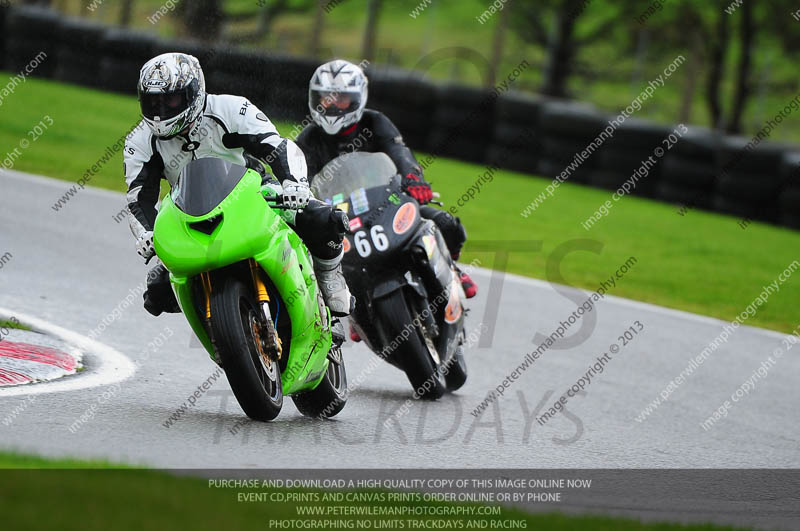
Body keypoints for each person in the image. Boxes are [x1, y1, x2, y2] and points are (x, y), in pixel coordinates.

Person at [124, 52, 353, 317]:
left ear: (194, 92)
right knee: (156, 293)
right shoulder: (139, 142)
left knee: (325, 219)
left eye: (171, 100)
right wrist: (147, 233)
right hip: (188, 212)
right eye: (153, 103)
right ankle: (217, 328)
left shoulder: (231, 109)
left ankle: (329, 275)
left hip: (254, 193)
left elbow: (277, 147)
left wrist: (295, 184)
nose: (161, 112)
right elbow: (138, 197)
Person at [295, 60, 478, 341]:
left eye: (341, 99)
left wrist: (414, 179)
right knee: (315, 259)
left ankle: (452, 268)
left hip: (387, 203)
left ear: (357, 98)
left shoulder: (374, 122)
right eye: (325, 98)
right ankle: (355, 311)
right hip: (342, 219)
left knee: (444, 222)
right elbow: (297, 179)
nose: (332, 106)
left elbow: (398, 151)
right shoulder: (308, 140)